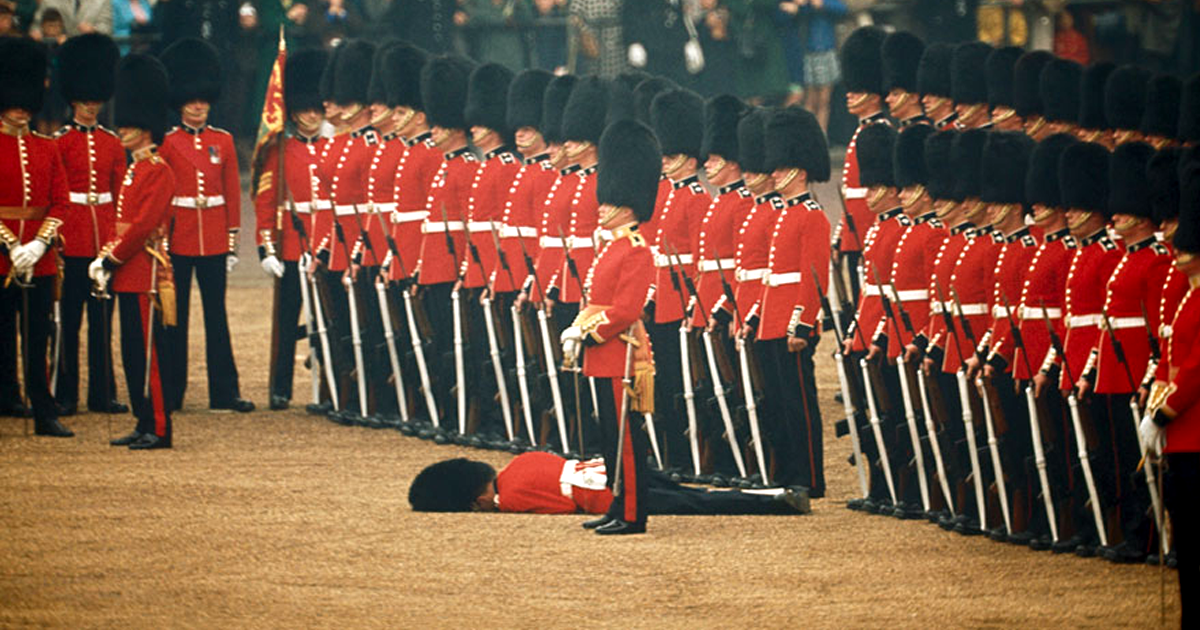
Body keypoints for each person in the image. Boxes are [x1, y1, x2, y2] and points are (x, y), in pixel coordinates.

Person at [559, 117, 659, 535]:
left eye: (608, 201)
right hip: (601, 355)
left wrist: (587, 330)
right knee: (609, 438)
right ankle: (617, 505)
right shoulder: (612, 248)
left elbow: (625, 309)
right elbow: (595, 301)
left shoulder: (636, 250)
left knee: (627, 442)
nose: (600, 207)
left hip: (620, 353)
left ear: (627, 203)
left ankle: (634, 514)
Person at [159, 38, 255, 414]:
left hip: (214, 238)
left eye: (203, 99)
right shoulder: (167, 144)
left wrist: (232, 241)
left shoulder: (224, 141)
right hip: (179, 237)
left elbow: (232, 194)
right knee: (175, 318)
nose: (198, 106)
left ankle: (224, 392)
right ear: (180, 100)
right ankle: (172, 390)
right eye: (191, 99)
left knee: (217, 318)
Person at [90, 52, 177, 450]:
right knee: (130, 353)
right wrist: (105, 257)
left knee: (147, 356)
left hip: (144, 273)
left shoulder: (159, 170)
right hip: (126, 270)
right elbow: (119, 222)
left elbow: (143, 226)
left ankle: (159, 426)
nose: (121, 129)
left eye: (129, 125)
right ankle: (143, 420)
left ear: (145, 128)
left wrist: (111, 257)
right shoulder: (133, 169)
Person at [0, 37, 73, 438]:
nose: (20, 108)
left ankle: (43, 409)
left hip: (39, 257)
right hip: (1, 257)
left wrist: (39, 244)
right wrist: (11, 245)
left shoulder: (46, 148)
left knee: (37, 336)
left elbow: (60, 204)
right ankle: (7, 397)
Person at [51, 33, 127, 416]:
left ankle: (102, 393)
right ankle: (66, 394)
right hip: (73, 239)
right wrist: (59, 238)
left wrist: (115, 242)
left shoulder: (113, 144)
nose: (91, 107)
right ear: (73, 100)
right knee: (70, 325)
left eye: (95, 101)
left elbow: (119, 195)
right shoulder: (59, 143)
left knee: (102, 324)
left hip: (103, 242)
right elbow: (58, 196)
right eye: (85, 101)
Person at [253, 47, 329, 412]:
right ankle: (281, 387)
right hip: (291, 246)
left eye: (317, 109)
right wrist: (266, 247)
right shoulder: (280, 149)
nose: (312, 116)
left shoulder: (335, 147)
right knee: (286, 322)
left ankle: (329, 389)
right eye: (305, 110)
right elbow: (267, 201)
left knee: (330, 321)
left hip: (327, 247)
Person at [1143, 156, 1199, 628]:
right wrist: (1156, 407)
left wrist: (1162, 415)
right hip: (1183, 433)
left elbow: (1198, 369)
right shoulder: (1190, 294)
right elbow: (1171, 358)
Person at [408, 451, 812, 515]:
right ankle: (774, 493)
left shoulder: (510, 497)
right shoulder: (521, 462)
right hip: (621, 471)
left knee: (702, 502)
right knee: (698, 494)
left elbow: (566, 507)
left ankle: (776, 502)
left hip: (613, 496)